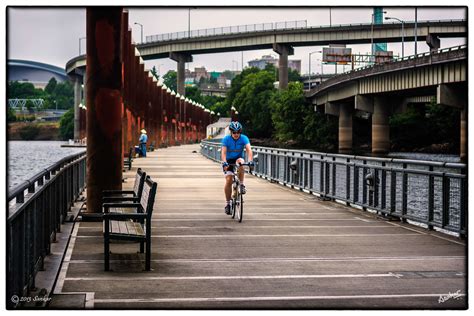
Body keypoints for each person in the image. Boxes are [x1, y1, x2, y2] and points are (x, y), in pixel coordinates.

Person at [221, 121, 254, 215]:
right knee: (228, 180)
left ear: (240, 132)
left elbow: (249, 150)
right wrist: (224, 162)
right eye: (234, 132)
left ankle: (242, 184)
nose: (236, 134)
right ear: (231, 132)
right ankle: (228, 204)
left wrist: (250, 161)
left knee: (241, 163)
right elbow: (223, 152)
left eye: (238, 132)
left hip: (238, 158)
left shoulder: (244, 138)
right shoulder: (226, 139)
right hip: (228, 160)